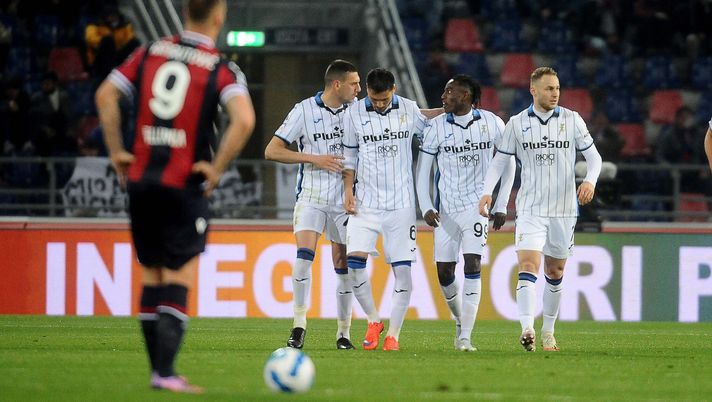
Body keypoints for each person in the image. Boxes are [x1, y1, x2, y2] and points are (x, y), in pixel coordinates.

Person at [94, 0, 255, 393]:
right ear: (219, 16)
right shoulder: (219, 67)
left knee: (152, 275)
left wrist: (117, 151)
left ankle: (158, 371)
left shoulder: (149, 52)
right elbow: (245, 119)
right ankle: (166, 373)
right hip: (183, 184)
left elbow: (105, 95)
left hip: (141, 181)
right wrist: (216, 168)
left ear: (186, 13)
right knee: (178, 277)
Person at [479, 67, 602, 352]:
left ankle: (548, 332)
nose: (555, 93)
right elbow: (499, 162)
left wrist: (590, 181)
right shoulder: (517, 123)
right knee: (528, 266)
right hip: (531, 208)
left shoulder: (572, 120)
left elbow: (594, 158)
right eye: (548, 88)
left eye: (557, 88)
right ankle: (526, 328)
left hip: (564, 209)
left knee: (555, 271)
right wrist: (488, 192)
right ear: (533, 90)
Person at [264, 59, 361, 350]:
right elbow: (272, 150)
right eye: (354, 84)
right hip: (311, 196)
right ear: (337, 84)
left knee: (343, 264)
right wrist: (314, 158)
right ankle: (298, 325)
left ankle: (343, 333)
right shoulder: (303, 110)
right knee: (304, 256)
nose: (359, 89)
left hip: (345, 199)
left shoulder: (358, 111)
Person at [415, 74, 515, 352]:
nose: (444, 97)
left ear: (467, 96)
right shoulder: (435, 128)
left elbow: (509, 164)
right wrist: (425, 205)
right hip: (446, 211)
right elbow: (422, 171)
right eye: (445, 91)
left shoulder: (492, 123)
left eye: (450, 92)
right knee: (444, 273)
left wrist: (500, 203)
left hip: (477, 209)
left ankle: (465, 338)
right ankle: (461, 320)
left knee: (472, 265)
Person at [342, 68, 429, 351]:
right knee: (353, 265)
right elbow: (350, 156)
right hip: (365, 203)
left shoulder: (409, 109)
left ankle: (393, 334)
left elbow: (430, 125)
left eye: (384, 98)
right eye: (374, 99)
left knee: (402, 273)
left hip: (400, 205)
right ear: (367, 91)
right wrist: (347, 191)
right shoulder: (353, 113)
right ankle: (373, 319)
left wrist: (454, 109)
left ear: (394, 88)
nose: (379, 104)